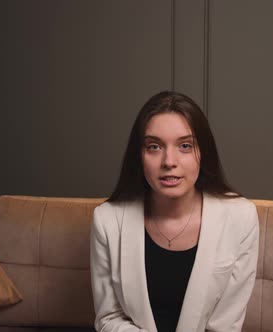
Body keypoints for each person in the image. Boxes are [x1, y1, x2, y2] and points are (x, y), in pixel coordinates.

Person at [90, 91, 259, 332]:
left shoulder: (241, 218)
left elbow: (225, 325)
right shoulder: (107, 220)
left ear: (204, 152)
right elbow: (109, 319)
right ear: (139, 156)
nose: (169, 161)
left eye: (185, 146)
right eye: (154, 146)